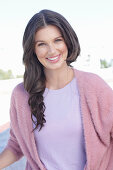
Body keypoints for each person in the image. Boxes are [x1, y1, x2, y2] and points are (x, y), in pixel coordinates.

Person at [0, 9, 113, 170]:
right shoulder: (21, 95)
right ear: (33, 50)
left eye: (57, 40)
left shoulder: (94, 87)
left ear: (67, 40)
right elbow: (16, 145)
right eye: (42, 44)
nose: (52, 50)